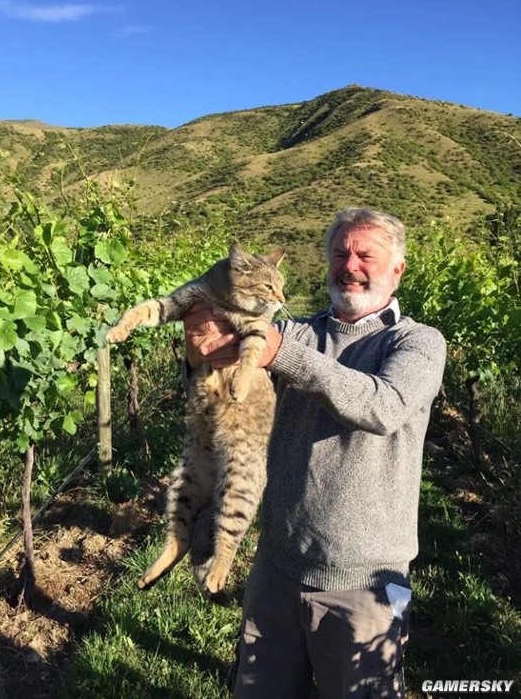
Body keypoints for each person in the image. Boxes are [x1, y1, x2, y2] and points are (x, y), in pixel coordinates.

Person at [183, 208, 447, 698]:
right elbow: (222, 382)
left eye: (366, 255)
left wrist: (277, 352)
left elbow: (382, 406)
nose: (350, 265)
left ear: (396, 270)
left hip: (364, 583)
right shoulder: (300, 333)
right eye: (339, 254)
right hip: (276, 568)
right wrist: (201, 347)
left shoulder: (417, 342)